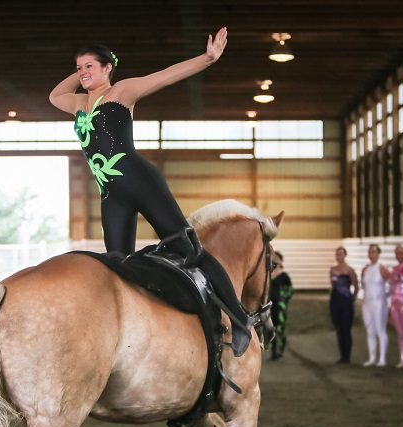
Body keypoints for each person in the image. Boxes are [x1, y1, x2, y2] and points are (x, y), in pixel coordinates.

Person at [49, 28, 254, 356]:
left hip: (140, 180)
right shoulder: (78, 104)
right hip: (111, 194)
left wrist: (207, 58)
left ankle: (240, 317)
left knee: (188, 248)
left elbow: (166, 75)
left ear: (108, 68)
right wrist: (82, 73)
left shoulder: (121, 91)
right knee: (116, 262)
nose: (83, 72)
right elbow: (54, 95)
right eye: (78, 67)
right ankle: (132, 329)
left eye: (90, 66)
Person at [360, 244, 390, 367]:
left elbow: (392, 283)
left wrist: (386, 296)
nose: (371, 254)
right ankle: (372, 358)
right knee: (369, 330)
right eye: (370, 251)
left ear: (378, 254)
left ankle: (382, 358)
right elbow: (364, 286)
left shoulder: (382, 268)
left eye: (373, 251)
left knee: (380, 329)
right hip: (367, 303)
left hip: (379, 303)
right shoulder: (365, 269)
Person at [329, 247, 359, 364]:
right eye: (337, 254)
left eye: (341, 254)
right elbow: (333, 285)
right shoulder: (332, 270)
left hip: (346, 301)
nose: (339, 256)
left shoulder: (350, 270)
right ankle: (342, 355)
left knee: (346, 329)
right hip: (335, 301)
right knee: (339, 328)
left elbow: (356, 286)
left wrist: (352, 299)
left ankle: (347, 356)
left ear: (345, 255)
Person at [267, 251, 294, 361]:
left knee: (279, 327)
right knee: (270, 327)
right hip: (268, 305)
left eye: (277, 258)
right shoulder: (267, 274)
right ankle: (273, 351)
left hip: (279, 306)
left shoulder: (284, 276)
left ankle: (280, 350)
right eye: (274, 258)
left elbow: (290, 290)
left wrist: (283, 300)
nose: (276, 260)